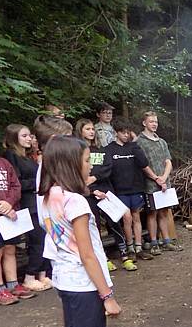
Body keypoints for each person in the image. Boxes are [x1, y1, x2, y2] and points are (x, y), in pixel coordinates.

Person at [38, 135, 129, 327]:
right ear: (70, 163)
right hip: (84, 285)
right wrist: (107, 296)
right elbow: (87, 254)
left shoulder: (49, 196)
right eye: (87, 160)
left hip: (64, 281)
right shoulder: (75, 201)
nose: (90, 166)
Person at [75, 119, 129, 273]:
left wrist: (94, 177)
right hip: (87, 193)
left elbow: (108, 167)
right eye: (87, 129)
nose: (91, 132)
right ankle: (103, 257)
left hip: (105, 190)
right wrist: (91, 188)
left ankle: (124, 254)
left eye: (93, 129)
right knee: (95, 225)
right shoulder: (77, 151)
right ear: (80, 131)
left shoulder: (102, 149)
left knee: (115, 221)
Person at [107, 118, 162, 264]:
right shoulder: (109, 149)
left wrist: (135, 142)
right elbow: (107, 170)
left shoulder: (133, 147)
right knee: (127, 218)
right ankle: (129, 247)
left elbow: (144, 163)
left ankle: (138, 247)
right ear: (116, 133)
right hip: (119, 190)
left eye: (128, 133)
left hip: (136, 188)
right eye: (123, 133)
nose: (126, 135)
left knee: (136, 216)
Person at [0, 126, 36, 305]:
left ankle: (13, 285)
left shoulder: (3, 162)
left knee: (10, 250)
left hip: (9, 214)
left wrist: (9, 203)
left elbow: (15, 185)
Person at [4, 124, 51, 291]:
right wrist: (37, 183)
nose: (29, 138)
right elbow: (16, 182)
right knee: (38, 240)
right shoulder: (11, 156)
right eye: (24, 136)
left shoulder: (28, 156)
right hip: (27, 204)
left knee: (45, 238)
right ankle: (29, 276)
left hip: (38, 202)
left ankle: (42, 274)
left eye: (29, 135)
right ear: (13, 138)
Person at [137, 111, 177, 255]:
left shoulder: (161, 141)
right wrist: (156, 178)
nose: (154, 124)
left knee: (164, 212)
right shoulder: (140, 142)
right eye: (151, 121)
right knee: (152, 213)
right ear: (144, 123)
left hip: (164, 183)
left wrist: (164, 178)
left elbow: (168, 161)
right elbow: (143, 164)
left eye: (156, 122)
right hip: (150, 184)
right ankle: (154, 243)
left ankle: (166, 240)